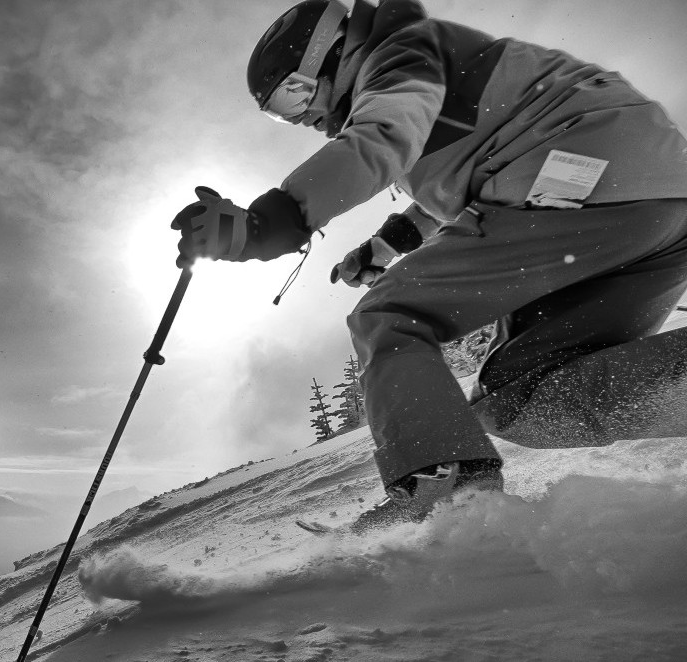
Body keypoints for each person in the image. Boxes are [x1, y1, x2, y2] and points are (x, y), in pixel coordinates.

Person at [171, 0, 687, 532]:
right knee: (523, 394)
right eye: (282, 112)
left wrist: (263, 226)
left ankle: (445, 489)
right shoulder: (427, 67)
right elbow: (466, 170)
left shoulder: (399, 51)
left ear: (329, 53)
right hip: (649, 203)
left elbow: (384, 139)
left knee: (387, 317)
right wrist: (384, 247)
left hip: (579, 175)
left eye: (293, 94)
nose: (301, 116)